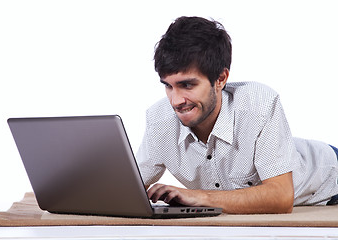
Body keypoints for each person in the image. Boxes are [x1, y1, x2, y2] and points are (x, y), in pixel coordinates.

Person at [136, 16, 338, 214]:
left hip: (329, 176)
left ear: (221, 79)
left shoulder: (259, 103)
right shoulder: (159, 121)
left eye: (187, 85)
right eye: (168, 86)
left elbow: (281, 197)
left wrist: (199, 197)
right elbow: (126, 187)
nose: (176, 100)